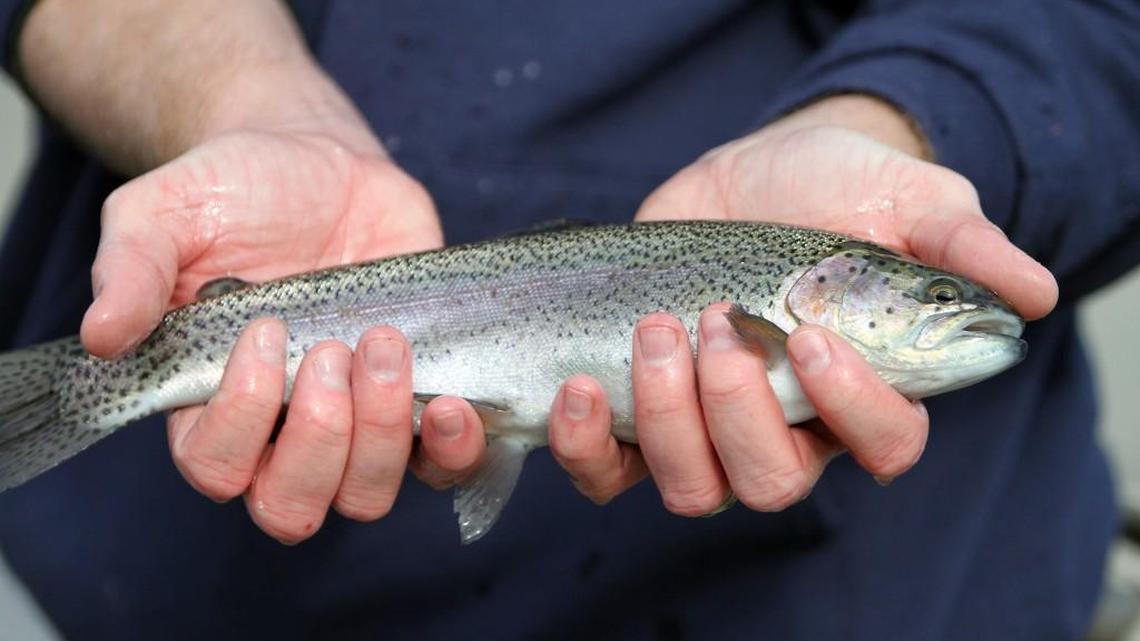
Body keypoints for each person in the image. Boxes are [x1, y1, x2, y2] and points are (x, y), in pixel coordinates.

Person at [0, 0, 1136, 639]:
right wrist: (235, 100)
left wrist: (916, 126)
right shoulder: (771, 301)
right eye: (936, 299)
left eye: (933, 297)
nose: (957, 316)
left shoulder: (790, 287)